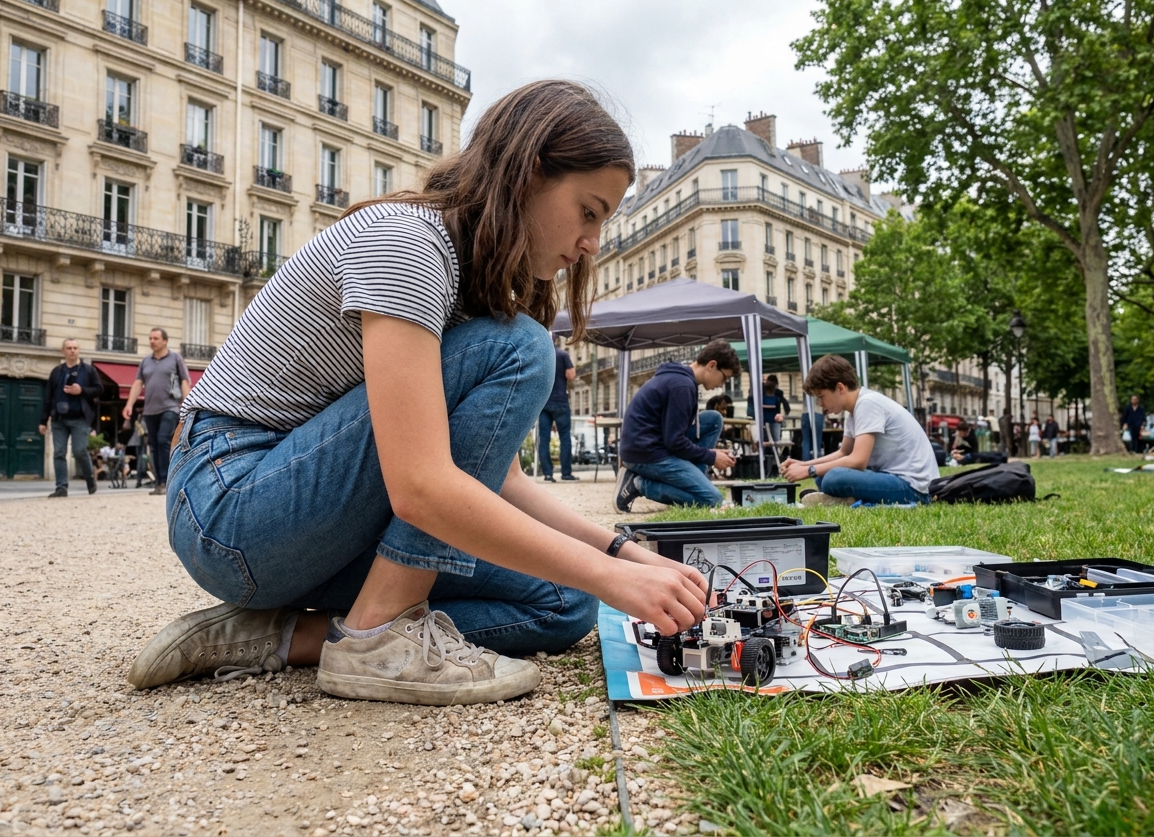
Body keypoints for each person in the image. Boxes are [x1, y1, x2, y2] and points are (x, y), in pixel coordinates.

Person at [128, 80, 709, 708]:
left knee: (565, 601)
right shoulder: (409, 243)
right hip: (231, 506)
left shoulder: (465, 279)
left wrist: (622, 555)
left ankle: (286, 634)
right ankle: (377, 635)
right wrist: (615, 575)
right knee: (520, 349)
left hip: (293, 525)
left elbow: (501, 482)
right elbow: (422, 486)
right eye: (588, 211)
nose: (592, 241)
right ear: (527, 172)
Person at [780, 355, 939, 506]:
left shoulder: (867, 404)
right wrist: (804, 464)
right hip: (895, 478)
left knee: (833, 478)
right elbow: (844, 453)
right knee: (822, 478)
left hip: (915, 489)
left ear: (840, 388)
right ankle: (846, 499)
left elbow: (858, 461)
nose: (820, 403)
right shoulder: (854, 410)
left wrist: (809, 470)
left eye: (821, 396)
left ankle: (846, 498)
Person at [613, 340, 741, 512]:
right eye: (724, 378)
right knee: (713, 499)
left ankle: (696, 481)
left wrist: (711, 455)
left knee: (713, 419)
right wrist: (711, 457)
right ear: (712, 365)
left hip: (651, 444)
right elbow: (674, 442)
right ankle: (638, 484)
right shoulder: (682, 386)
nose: (721, 384)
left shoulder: (681, 380)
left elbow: (673, 436)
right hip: (645, 454)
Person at [122, 329, 190, 495]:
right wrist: (129, 404)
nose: (152, 341)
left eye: (156, 338)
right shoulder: (146, 361)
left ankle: (167, 481)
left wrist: (187, 405)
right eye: (150, 338)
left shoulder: (175, 359)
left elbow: (185, 381)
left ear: (165, 341)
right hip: (150, 410)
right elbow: (138, 383)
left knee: (162, 440)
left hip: (170, 407)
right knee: (153, 446)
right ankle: (159, 482)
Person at [38, 338, 102, 498]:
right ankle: (61, 487)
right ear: (63, 351)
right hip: (59, 419)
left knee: (79, 451)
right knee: (59, 452)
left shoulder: (88, 370)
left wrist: (81, 390)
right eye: (69, 348)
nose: (72, 350)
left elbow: (99, 389)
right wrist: (43, 421)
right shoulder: (57, 372)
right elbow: (48, 397)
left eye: (75, 348)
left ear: (78, 350)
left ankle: (90, 480)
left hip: (80, 418)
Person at [538, 341, 576, 482]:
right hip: (560, 401)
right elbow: (571, 376)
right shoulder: (562, 354)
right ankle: (566, 473)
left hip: (544, 402)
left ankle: (548, 474)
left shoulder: (541, 355)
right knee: (565, 438)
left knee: (544, 439)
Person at [746, 375, 791, 448]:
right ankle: (773, 454)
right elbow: (785, 405)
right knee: (774, 441)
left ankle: (767, 455)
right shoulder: (776, 393)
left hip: (766, 420)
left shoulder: (769, 393)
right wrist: (785, 412)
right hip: (771, 420)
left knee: (767, 441)